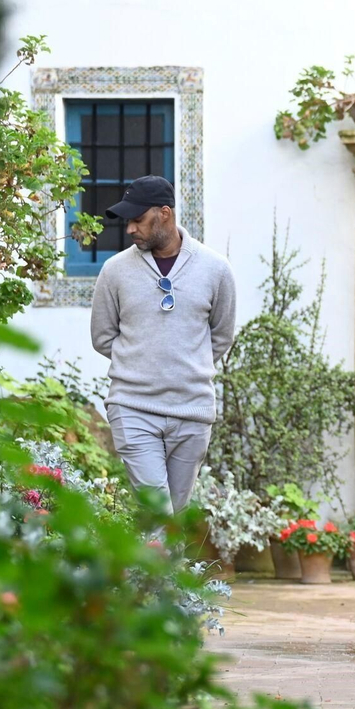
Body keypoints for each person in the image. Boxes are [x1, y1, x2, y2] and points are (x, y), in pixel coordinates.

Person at [90, 175, 236, 512]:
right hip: (133, 407)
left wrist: (185, 363)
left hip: (192, 410)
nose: (130, 229)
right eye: (128, 221)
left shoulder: (216, 269)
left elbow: (221, 334)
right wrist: (144, 361)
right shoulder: (114, 271)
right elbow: (102, 336)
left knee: (173, 518)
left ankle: (149, 566)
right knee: (159, 514)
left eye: (138, 219)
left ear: (165, 214)